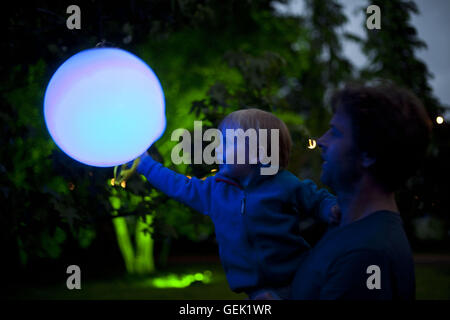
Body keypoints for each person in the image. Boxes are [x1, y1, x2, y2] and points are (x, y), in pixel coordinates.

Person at [117, 108, 339, 299]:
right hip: (255, 290)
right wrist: (145, 164)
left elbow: (316, 198)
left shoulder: (284, 184)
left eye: (228, 142)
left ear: (259, 154)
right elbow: (178, 186)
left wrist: (330, 209)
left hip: (298, 278)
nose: (218, 149)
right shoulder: (215, 190)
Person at [289, 82, 432, 300]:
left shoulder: (366, 254)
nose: (321, 141)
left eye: (335, 133)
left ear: (369, 153)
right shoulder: (347, 226)